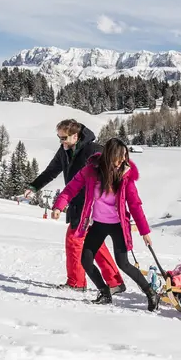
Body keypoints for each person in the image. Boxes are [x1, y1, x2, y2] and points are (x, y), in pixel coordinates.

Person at [51, 138, 159, 310]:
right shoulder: (91, 171)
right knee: (86, 260)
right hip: (98, 224)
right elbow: (70, 189)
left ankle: (150, 293)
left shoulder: (125, 176)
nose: (121, 161)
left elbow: (135, 205)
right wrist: (59, 206)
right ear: (108, 156)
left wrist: (144, 232)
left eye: (124, 157)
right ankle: (104, 292)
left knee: (123, 263)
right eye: (118, 158)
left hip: (118, 226)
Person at [24, 119, 124, 293]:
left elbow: (113, 172)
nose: (61, 141)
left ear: (75, 136)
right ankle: (115, 281)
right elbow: (51, 171)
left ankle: (76, 282)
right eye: (59, 137)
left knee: (74, 240)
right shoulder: (64, 151)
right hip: (77, 203)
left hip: (91, 205)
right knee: (95, 244)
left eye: (64, 137)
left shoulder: (93, 150)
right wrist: (34, 186)